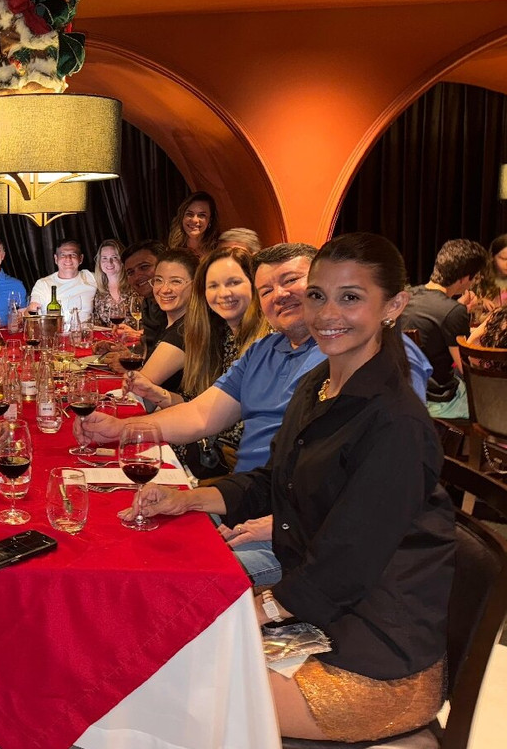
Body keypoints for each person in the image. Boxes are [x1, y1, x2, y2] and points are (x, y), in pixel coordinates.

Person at [126, 233, 453, 742]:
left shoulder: (395, 421)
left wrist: (259, 609)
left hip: (372, 659)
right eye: (318, 295)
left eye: (350, 297)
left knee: (150, 689)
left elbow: (346, 563)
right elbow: (273, 480)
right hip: (320, 619)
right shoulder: (319, 383)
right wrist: (186, 500)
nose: (327, 313)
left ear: (393, 306)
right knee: (146, 649)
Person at [79, 242, 433, 584]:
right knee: (117, 543)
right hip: (248, 498)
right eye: (266, 289)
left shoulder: (373, 362)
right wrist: (121, 429)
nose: (280, 294)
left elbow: (375, 505)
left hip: (304, 536)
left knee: (163, 577)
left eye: (292, 281)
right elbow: (203, 415)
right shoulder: (270, 350)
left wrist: (283, 525)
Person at [131, 247, 269, 474]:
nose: (223, 293)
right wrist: (159, 395)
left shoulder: (266, 342)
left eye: (233, 282)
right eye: (213, 285)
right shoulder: (223, 334)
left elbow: (217, 422)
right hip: (215, 451)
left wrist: (128, 428)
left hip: (236, 464)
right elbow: (198, 405)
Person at [399, 238, 487, 419]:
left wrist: (458, 307)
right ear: (464, 278)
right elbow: (466, 368)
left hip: (406, 394)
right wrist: (482, 329)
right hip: (439, 402)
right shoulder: (453, 311)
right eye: (475, 277)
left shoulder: (407, 297)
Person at [124, 248, 198, 395]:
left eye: (175, 281)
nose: (164, 289)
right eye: (158, 280)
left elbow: (138, 390)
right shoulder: (165, 322)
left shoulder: (184, 331)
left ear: (195, 284)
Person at [27, 238, 97, 323]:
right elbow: (32, 311)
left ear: (81, 259)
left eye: (73, 255)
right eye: (63, 255)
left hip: (85, 330)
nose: (68, 259)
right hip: (53, 330)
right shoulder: (43, 283)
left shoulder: (91, 277)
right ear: (56, 259)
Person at [91, 238, 133, 324]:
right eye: (104, 258)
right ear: (99, 262)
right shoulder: (97, 292)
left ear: (122, 260)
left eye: (114, 257)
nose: (109, 262)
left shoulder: (135, 285)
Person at [167, 192, 220, 258]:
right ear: (182, 217)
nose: (194, 220)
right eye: (189, 214)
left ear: (210, 220)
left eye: (202, 215)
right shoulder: (171, 248)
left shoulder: (218, 249)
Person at [472, 233, 507, 316]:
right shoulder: (479, 278)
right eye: (504, 259)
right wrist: (480, 302)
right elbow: (464, 305)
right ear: (492, 257)